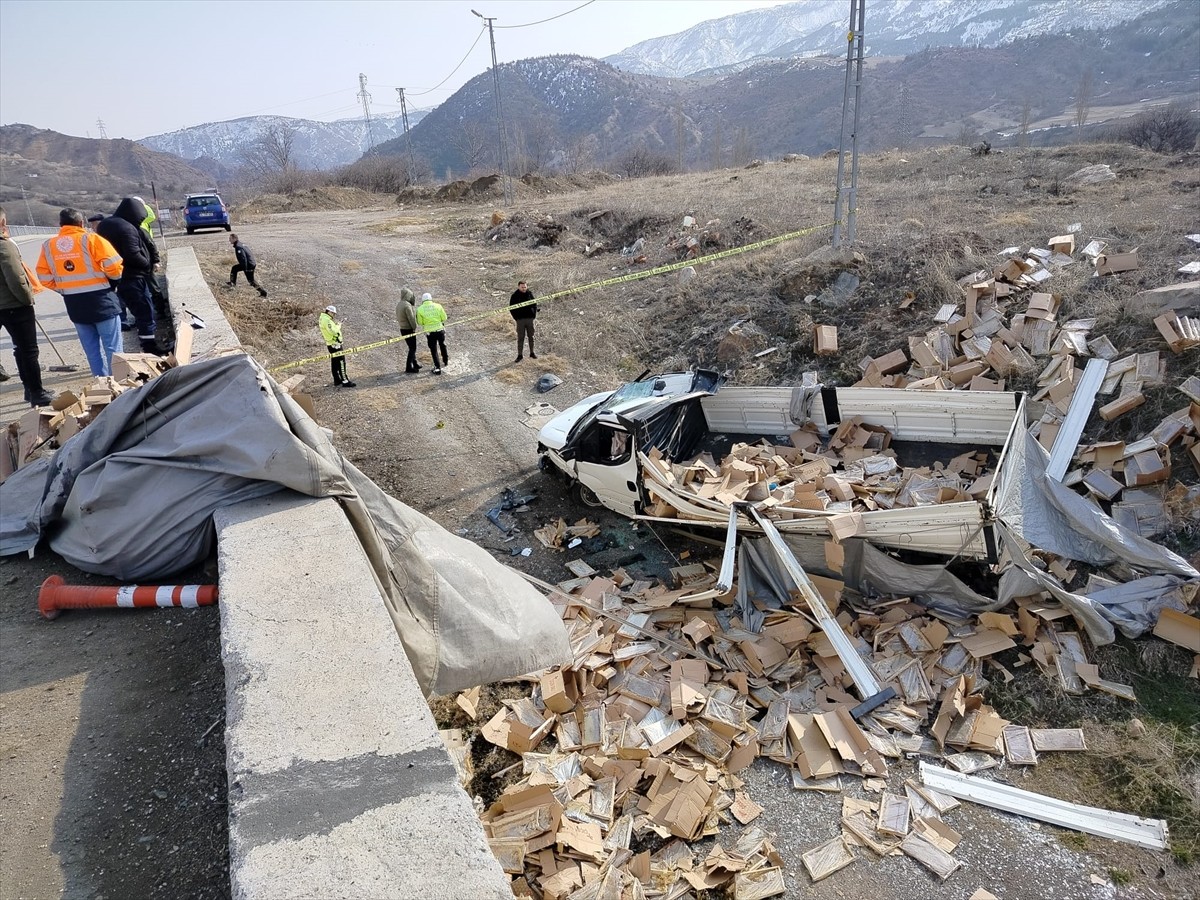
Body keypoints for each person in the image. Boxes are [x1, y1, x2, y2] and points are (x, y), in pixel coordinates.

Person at [35, 208, 124, 377]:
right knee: (113, 348)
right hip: (102, 300)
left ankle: (102, 384)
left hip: (74, 304)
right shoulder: (92, 239)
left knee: (91, 351)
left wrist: (64, 288)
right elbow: (114, 266)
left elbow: (43, 277)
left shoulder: (48, 246)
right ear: (81, 223)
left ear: (60, 225)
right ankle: (120, 385)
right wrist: (112, 281)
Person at [0, 205, 55, 407]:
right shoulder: (4, 246)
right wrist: (26, 299)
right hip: (13, 305)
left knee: (19, 349)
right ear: (3, 223)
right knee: (27, 350)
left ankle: (29, 390)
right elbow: (15, 278)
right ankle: (36, 392)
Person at [97, 197, 162, 352]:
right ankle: (149, 348)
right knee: (145, 311)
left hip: (112, 277)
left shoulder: (105, 225)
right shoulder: (127, 228)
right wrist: (147, 264)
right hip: (133, 277)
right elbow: (133, 254)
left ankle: (147, 344)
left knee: (133, 310)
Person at [318, 304, 355, 387]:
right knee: (341, 362)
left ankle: (337, 380)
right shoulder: (327, 320)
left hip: (331, 344)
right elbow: (333, 331)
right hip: (335, 344)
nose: (334, 315)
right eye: (333, 313)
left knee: (334, 362)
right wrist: (339, 325)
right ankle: (345, 381)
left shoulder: (323, 318)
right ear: (329, 312)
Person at [416, 291, 448, 375]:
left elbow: (420, 322)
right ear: (431, 299)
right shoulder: (438, 306)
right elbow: (444, 317)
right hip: (440, 330)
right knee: (442, 344)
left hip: (430, 333)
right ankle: (445, 360)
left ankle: (437, 368)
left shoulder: (419, 309)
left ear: (423, 300)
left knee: (433, 350)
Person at [509, 280, 538, 362]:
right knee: (520, 338)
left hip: (530, 319)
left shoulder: (529, 293)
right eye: (522, 287)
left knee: (531, 337)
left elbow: (534, 304)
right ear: (518, 287)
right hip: (520, 320)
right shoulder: (514, 296)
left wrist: (533, 315)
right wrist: (517, 318)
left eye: (525, 287)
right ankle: (520, 355)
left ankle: (532, 353)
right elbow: (511, 308)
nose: (524, 288)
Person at [395, 287, 421, 373]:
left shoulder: (399, 304)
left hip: (402, 329)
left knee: (411, 347)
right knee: (413, 348)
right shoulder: (407, 305)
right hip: (408, 329)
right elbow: (411, 318)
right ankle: (408, 367)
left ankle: (415, 363)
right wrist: (414, 327)